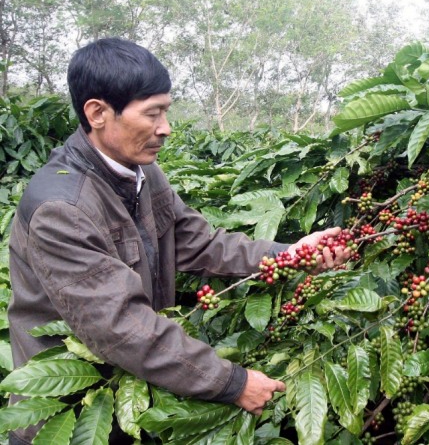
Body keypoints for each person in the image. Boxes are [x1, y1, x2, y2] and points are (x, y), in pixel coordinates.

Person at [7, 37, 349, 444]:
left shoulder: (143, 174)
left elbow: (201, 244)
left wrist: (291, 254)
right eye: (152, 114)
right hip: (71, 416)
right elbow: (121, 327)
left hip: (136, 395)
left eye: (165, 111)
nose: (165, 128)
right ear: (97, 113)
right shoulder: (61, 208)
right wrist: (232, 382)